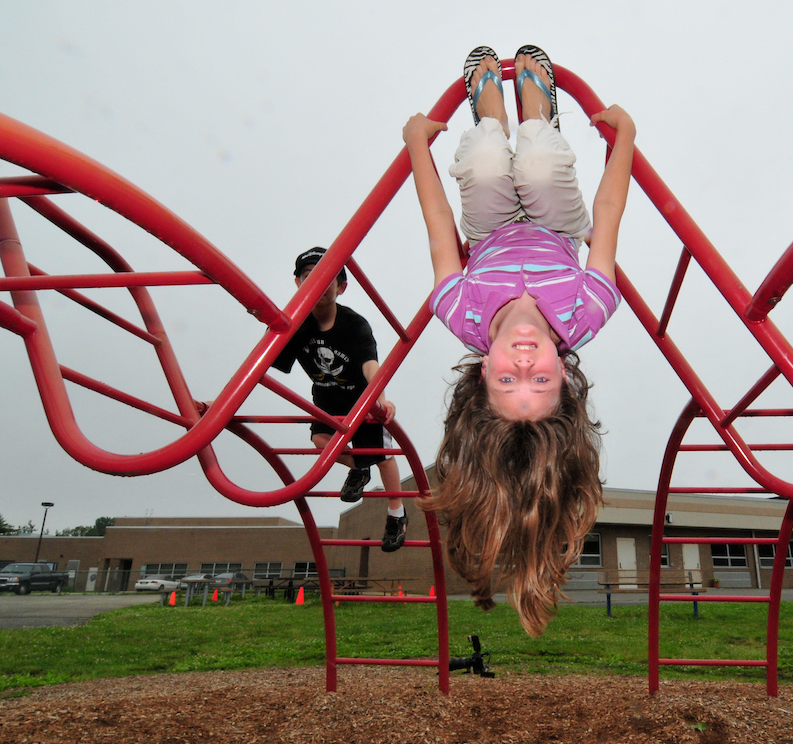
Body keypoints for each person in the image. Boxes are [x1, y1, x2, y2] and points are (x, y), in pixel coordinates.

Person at [403, 45, 636, 636]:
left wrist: (415, 145)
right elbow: (607, 214)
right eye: (541, 380)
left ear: (483, 372)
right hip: (557, 227)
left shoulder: (460, 311)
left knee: (483, 160)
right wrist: (624, 136)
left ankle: (488, 106)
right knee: (536, 161)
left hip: (490, 232)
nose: (526, 360)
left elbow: (438, 226)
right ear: (566, 376)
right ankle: (537, 104)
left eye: (510, 380)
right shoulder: (588, 311)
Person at [272, 247, 408, 552]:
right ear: (298, 283)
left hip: (361, 396)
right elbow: (267, 361)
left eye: (328, 278)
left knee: (382, 453)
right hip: (326, 395)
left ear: (341, 287)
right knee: (321, 440)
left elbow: (370, 365)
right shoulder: (295, 325)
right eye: (309, 276)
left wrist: (380, 400)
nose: (318, 283)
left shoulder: (354, 324)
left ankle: (397, 513)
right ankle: (360, 466)